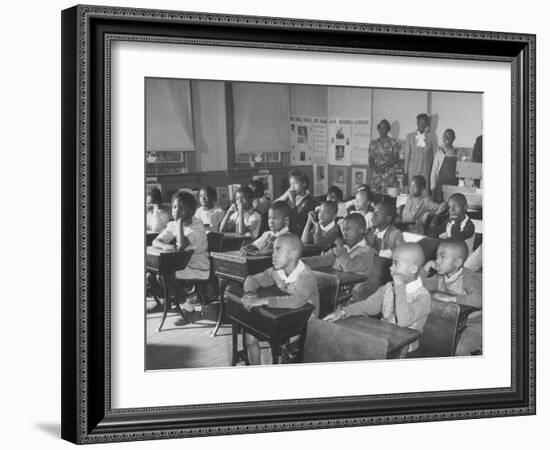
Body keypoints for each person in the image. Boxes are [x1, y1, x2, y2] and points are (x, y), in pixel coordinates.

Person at [324, 243, 431, 352]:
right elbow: (368, 306)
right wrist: (343, 312)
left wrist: (400, 286)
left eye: (396, 263)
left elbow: (403, 321)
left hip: (404, 350)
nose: (391, 268)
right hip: (382, 339)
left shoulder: (423, 297)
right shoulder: (389, 288)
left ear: (413, 269)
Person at [240, 234, 320, 365]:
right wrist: (250, 293)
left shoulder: (306, 276)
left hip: (306, 324)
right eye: (273, 250)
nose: (273, 254)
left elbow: (296, 301)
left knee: (284, 348)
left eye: (278, 250)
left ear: (293, 254)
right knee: (250, 337)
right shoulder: (277, 271)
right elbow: (252, 278)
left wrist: (263, 300)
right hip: (284, 316)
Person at [419, 240, 482, 355]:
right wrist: (426, 267)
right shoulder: (440, 277)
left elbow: (480, 300)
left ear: (458, 262)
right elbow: (416, 286)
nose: (437, 261)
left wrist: (451, 298)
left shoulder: (468, 278)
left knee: (458, 349)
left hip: (474, 325)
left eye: (442, 257)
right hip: (450, 323)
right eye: (436, 256)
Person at [150, 190, 209, 312]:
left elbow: (182, 245)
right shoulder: (173, 224)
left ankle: (186, 308)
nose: (176, 210)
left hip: (197, 267)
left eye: (181, 208)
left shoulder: (197, 224)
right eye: (175, 207)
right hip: (181, 265)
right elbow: (155, 241)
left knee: (164, 275)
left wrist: (180, 222)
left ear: (191, 211)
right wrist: (164, 246)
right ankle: (164, 303)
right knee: (150, 275)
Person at [302, 214, 375, 275]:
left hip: (353, 290)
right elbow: (322, 260)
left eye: (348, 229)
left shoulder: (367, 251)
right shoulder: (345, 248)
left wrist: (340, 248)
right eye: (343, 230)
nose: (344, 234)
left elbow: (348, 267)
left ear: (361, 230)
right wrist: (301, 262)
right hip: (336, 284)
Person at [404, 113, 438, 192]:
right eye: (420, 123)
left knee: (424, 191)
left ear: (427, 124)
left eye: (424, 123)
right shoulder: (410, 136)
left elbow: (434, 156)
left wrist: (433, 173)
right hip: (412, 170)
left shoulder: (432, 137)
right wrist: (405, 173)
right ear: (417, 123)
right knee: (413, 191)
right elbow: (406, 156)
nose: (422, 125)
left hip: (425, 170)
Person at [275, 169, 317, 234]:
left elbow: (296, 223)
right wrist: (286, 195)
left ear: (304, 184)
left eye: (295, 184)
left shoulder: (310, 203)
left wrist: (293, 200)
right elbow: (275, 207)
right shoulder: (290, 198)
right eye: (291, 184)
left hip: (299, 235)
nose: (292, 187)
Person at [368, 119, 402, 194]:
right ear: (378, 129)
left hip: (389, 174)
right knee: (375, 197)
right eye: (380, 128)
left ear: (388, 129)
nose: (382, 130)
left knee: (389, 198)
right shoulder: (373, 143)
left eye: (384, 128)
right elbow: (370, 160)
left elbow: (396, 158)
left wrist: (383, 166)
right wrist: (376, 168)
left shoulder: (393, 142)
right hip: (376, 175)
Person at [431, 129, 459, 202]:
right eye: (445, 136)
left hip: (452, 187)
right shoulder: (439, 153)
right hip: (440, 187)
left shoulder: (456, 154)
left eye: (449, 136)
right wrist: (433, 189)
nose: (446, 138)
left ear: (453, 138)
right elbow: (433, 173)